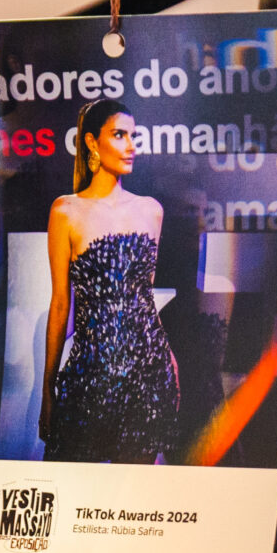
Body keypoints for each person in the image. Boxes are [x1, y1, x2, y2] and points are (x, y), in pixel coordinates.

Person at [42, 97, 181, 464]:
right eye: (119, 135)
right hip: (89, 374)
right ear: (91, 141)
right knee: (69, 486)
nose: (131, 146)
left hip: (148, 372)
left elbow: (144, 299)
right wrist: (48, 389)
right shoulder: (65, 211)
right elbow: (61, 303)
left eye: (133, 136)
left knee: (131, 491)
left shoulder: (151, 210)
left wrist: (170, 360)